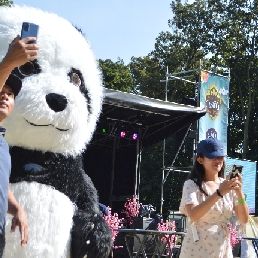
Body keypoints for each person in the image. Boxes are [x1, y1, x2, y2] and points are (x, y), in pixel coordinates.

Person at [0, 35, 38, 256]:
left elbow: (2, 187)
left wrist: (16, 208)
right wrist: (10, 61)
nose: (5, 97)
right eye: (0, 91)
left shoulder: (4, 146)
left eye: (10, 94)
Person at [179, 137, 249, 258]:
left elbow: (243, 219)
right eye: (212, 156)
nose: (218, 160)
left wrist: (239, 192)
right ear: (200, 160)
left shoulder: (226, 185)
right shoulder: (191, 184)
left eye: (221, 157)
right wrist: (219, 193)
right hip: (198, 248)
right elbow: (194, 215)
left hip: (222, 247)